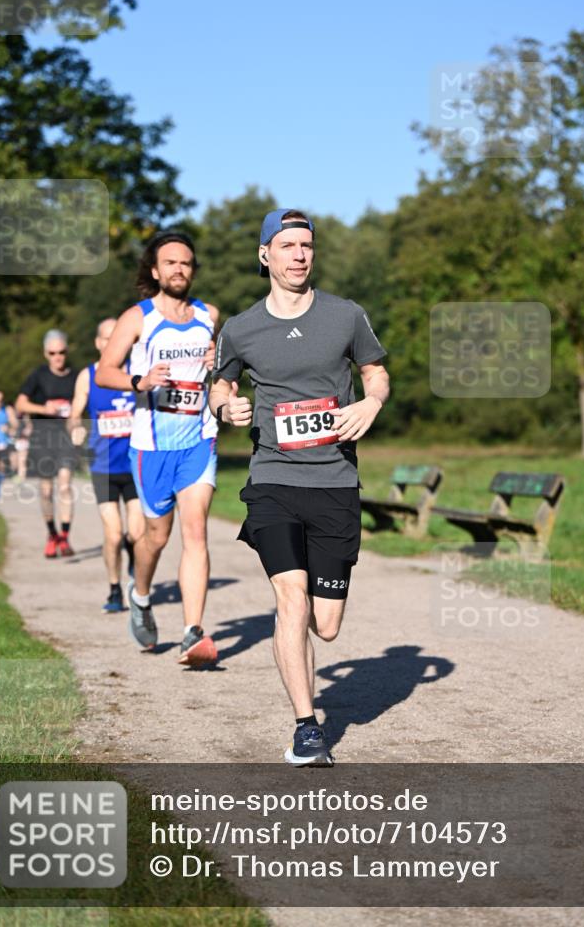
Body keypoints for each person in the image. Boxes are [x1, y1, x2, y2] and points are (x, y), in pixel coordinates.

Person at [209, 208, 390, 766]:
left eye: (306, 245)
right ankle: (306, 728)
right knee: (290, 600)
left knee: (326, 625)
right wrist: (226, 405)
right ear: (266, 254)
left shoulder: (346, 316)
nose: (299, 255)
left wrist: (371, 402)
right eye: (287, 245)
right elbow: (220, 384)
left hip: (335, 480)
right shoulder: (240, 327)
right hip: (272, 480)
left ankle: (302, 650)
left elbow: (375, 371)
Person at [97, 230, 220, 666]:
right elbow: (104, 373)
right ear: (156, 270)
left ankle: (192, 632)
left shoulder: (210, 315)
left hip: (198, 439)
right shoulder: (139, 318)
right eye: (170, 262)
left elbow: (223, 378)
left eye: (185, 262)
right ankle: (141, 594)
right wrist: (141, 382)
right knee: (155, 537)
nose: (179, 269)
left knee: (195, 531)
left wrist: (219, 368)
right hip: (151, 446)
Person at [69, 318, 145, 613]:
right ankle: (114, 588)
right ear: (99, 343)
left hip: (136, 464)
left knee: (137, 534)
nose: (112, 342)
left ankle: (134, 579)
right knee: (113, 534)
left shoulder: (137, 374)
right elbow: (75, 412)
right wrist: (75, 429)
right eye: (107, 338)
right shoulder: (87, 376)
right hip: (104, 467)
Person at [16, 330, 79, 558]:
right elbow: (21, 404)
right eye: (53, 353)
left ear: (66, 351)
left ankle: (64, 536)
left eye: (61, 352)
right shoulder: (38, 376)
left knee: (64, 487)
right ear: (46, 354)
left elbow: (83, 406)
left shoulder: (76, 377)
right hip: (42, 439)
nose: (58, 357)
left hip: (65, 439)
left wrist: (77, 421)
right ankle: (51, 534)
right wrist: (44, 409)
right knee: (46, 491)